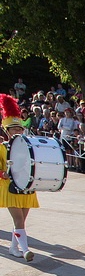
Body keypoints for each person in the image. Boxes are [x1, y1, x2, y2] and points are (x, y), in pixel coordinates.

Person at [0, 95, 38, 261]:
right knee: (18, 220)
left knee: (21, 221)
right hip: (9, 187)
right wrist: (3, 173)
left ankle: (14, 247)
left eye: (20, 129)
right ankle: (25, 250)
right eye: (14, 129)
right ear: (7, 131)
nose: (18, 131)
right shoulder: (1, 147)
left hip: (27, 188)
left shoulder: (29, 147)